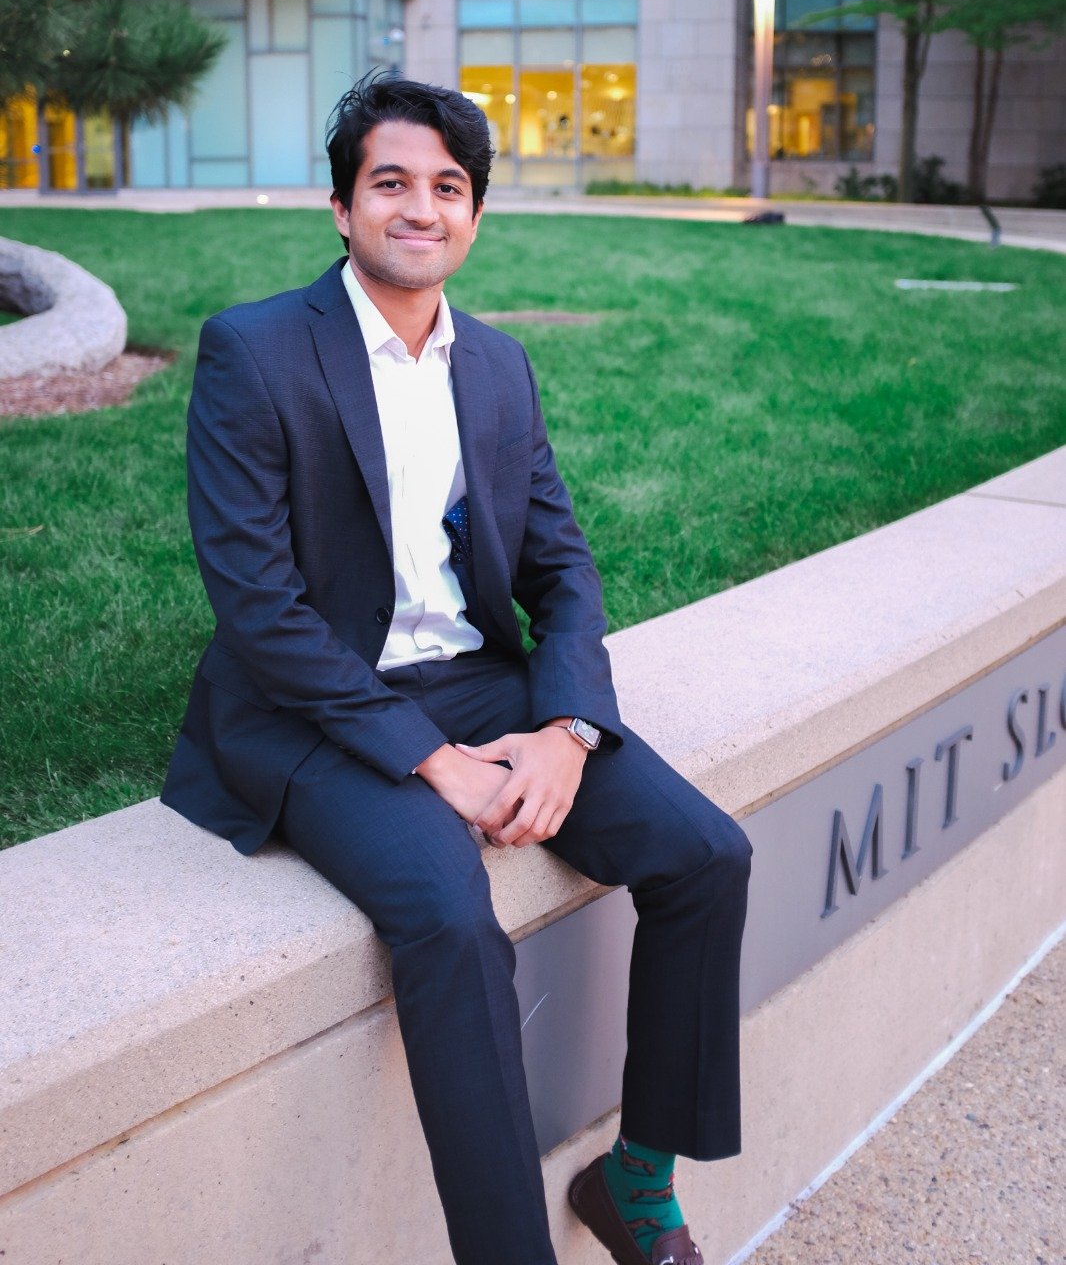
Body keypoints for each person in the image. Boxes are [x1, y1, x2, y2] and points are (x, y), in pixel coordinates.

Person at [161, 74, 752, 1265]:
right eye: (391, 182)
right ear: (341, 206)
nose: (420, 207)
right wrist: (434, 763)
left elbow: (562, 569)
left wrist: (565, 730)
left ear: (474, 213)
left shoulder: (496, 366)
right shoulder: (256, 350)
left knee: (705, 854)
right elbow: (260, 608)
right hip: (308, 707)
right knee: (450, 920)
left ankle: (635, 1177)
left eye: (448, 186)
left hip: (478, 679)